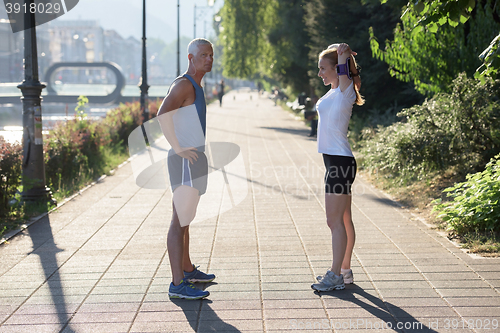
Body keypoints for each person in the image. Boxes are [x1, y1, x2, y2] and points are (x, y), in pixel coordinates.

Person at [157, 38, 215, 300]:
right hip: (184, 161)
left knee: (186, 218)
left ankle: (188, 269)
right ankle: (177, 284)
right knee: (178, 220)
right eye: (203, 55)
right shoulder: (184, 85)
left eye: (211, 55)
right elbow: (162, 114)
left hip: (194, 159)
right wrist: (178, 147)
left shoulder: (196, 86)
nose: (209, 59)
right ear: (191, 58)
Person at [311, 43, 364, 292]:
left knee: (334, 222)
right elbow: (345, 75)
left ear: (337, 70)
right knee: (343, 219)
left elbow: (347, 74)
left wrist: (342, 54)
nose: (320, 73)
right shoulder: (336, 91)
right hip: (336, 161)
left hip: (339, 162)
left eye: (323, 68)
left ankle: (334, 276)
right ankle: (345, 271)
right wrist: (336, 51)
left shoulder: (346, 91)